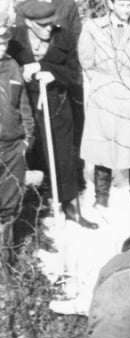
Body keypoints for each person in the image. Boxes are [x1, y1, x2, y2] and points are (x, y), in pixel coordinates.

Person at [9, 0, 96, 228]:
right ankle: (33, 208)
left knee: (63, 155)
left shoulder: (64, 36)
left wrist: (50, 71)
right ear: (28, 22)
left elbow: (74, 73)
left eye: (52, 23)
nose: (50, 28)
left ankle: (71, 207)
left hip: (57, 103)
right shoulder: (14, 38)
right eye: (43, 25)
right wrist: (21, 71)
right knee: (31, 154)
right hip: (24, 107)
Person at [78, 0, 130, 209]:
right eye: (121, 5)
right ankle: (101, 197)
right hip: (104, 90)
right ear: (110, 5)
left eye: (129, 6)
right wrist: (100, 82)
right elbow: (86, 59)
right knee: (102, 145)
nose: (126, 10)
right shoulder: (92, 27)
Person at [0, 19, 34, 278]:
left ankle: (5, 263)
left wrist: (27, 140)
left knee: (9, 206)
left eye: (3, 41)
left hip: (13, 147)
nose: (1, 46)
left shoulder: (12, 66)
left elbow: (24, 109)